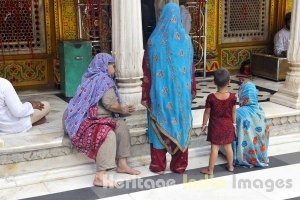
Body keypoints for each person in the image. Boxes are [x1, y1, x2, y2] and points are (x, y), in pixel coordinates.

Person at [64, 53, 140, 188]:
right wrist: (123, 109)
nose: (114, 69)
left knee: (121, 126)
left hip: (99, 117)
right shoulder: (103, 80)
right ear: (105, 66)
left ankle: (122, 164)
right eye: (112, 65)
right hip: (88, 118)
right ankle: (100, 176)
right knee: (107, 134)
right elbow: (109, 104)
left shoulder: (90, 78)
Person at [142, 3, 194, 174]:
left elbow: (147, 69)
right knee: (180, 123)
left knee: (158, 124)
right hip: (181, 97)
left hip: (159, 96)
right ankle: (179, 165)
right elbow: (191, 69)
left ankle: (158, 164)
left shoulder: (152, 41)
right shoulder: (186, 42)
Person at [200, 68, 236, 175]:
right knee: (228, 146)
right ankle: (230, 166)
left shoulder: (211, 98)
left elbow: (207, 112)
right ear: (229, 82)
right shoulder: (233, 97)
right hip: (228, 125)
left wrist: (204, 124)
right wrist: (234, 123)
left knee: (214, 148)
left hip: (215, 127)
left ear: (214, 82)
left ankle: (210, 170)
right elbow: (233, 111)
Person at [232, 75, 269, 168]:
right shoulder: (261, 112)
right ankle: (261, 155)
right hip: (261, 153)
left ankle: (238, 155)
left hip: (243, 153)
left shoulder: (238, 113)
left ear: (242, 94)